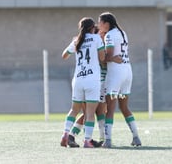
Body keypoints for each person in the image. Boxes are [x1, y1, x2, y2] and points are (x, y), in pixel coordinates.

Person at [98, 12, 142, 148]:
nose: (98, 26)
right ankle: (136, 137)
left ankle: (108, 140)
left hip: (116, 74)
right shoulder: (122, 32)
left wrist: (103, 57)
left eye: (100, 22)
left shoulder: (110, 35)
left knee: (110, 108)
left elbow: (108, 56)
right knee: (124, 107)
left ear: (106, 23)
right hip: (127, 72)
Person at [60, 17, 105, 148]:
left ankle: (65, 134)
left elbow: (64, 55)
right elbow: (102, 58)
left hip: (78, 80)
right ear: (92, 28)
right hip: (92, 80)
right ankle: (87, 140)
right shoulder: (96, 38)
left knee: (74, 110)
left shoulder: (76, 40)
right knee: (90, 114)